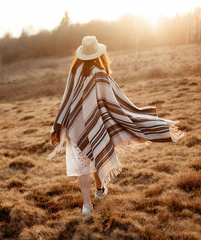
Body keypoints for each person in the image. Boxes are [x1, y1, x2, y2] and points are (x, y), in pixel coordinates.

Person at [48, 36, 185, 215]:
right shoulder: (99, 71)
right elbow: (114, 100)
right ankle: (99, 191)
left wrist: (59, 124)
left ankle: (87, 206)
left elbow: (67, 99)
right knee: (96, 153)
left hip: (75, 126)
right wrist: (131, 113)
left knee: (83, 166)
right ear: (98, 52)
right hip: (95, 123)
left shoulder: (74, 70)